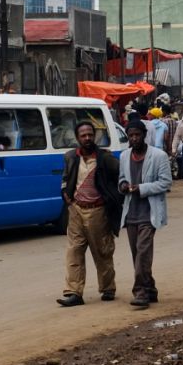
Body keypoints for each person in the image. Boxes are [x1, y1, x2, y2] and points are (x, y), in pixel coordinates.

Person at [58, 121, 125, 307]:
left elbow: (121, 177)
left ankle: (107, 288)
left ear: (94, 136)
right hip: (76, 210)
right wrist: (65, 193)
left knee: (102, 251)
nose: (87, 138)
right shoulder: (71, 157)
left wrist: (114, 198)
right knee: (74, 252)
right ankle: (74, 292)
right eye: (83, 135)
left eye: (90, 134)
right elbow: (65, 179)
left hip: (98, 211)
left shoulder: (105, 158)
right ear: (78, 138)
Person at [119, 121, 172, 309]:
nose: (134, 139)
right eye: (131, 136)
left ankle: (140, 291)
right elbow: (122, 179)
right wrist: (124, 186)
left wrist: (141, 188)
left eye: (137, 135)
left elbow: (165, 183)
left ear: (144, 135)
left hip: (150, 213)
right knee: (137, 255)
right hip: (131, 212)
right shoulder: (125, 156)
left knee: (142, 253)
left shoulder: (159, 156)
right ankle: (150, 288)